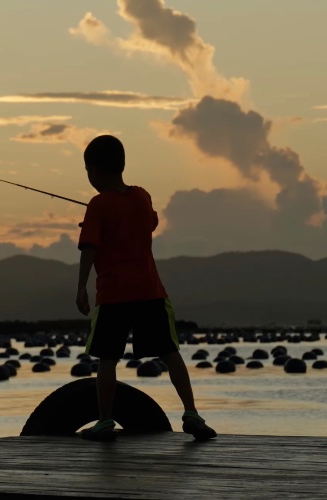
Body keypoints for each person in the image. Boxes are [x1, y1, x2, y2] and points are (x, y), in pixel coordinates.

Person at [73, 134, 217, 442]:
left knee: (107, 359)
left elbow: (89, 248)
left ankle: (105, 421)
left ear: (94, 170)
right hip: (150, 290)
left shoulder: (97, 205)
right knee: (170, 352)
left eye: (87, 170)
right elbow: (150, 223)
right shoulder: (142, 196)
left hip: (113, 295)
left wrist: (81, 286)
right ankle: (191, 412)